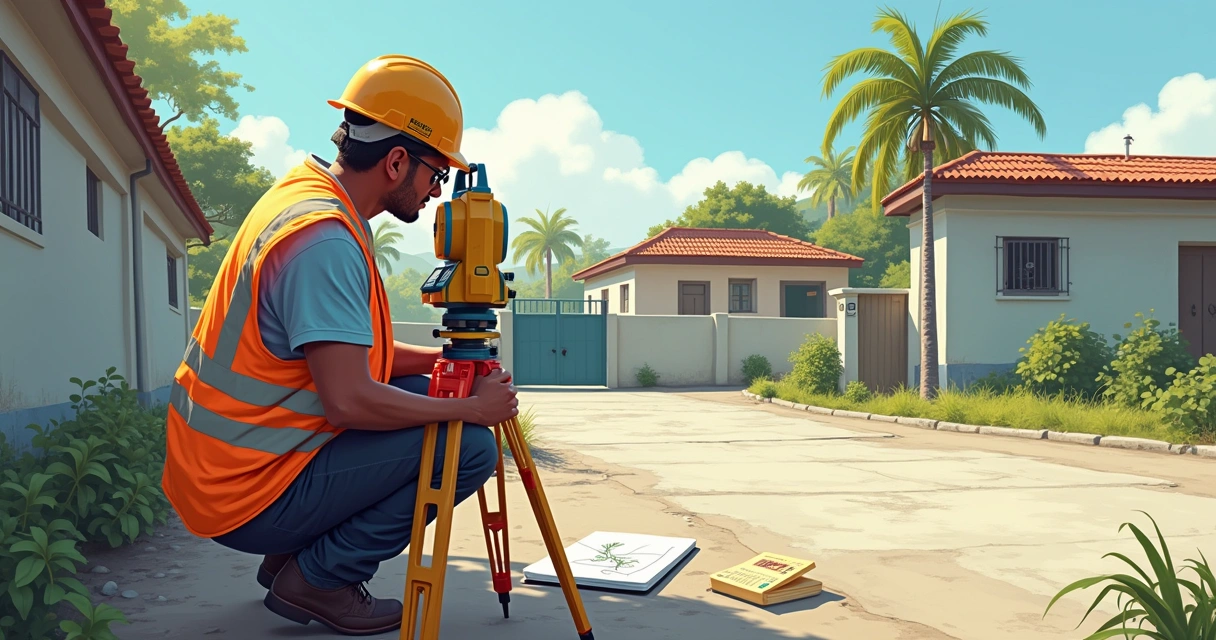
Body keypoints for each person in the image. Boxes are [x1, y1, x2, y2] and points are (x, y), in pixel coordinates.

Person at [160, 55, 518, 636]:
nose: (435, 193)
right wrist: (469, 407)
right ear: (397, 160)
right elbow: (349, 401)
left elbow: (356, 358)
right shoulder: (325, 243)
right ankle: (318, 578)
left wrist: (448, 368)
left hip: (225, 466)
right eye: (434, 174)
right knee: (470, 448)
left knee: (420, 395)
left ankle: (291, 558)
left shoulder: (310, 199)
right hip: (243, 493)